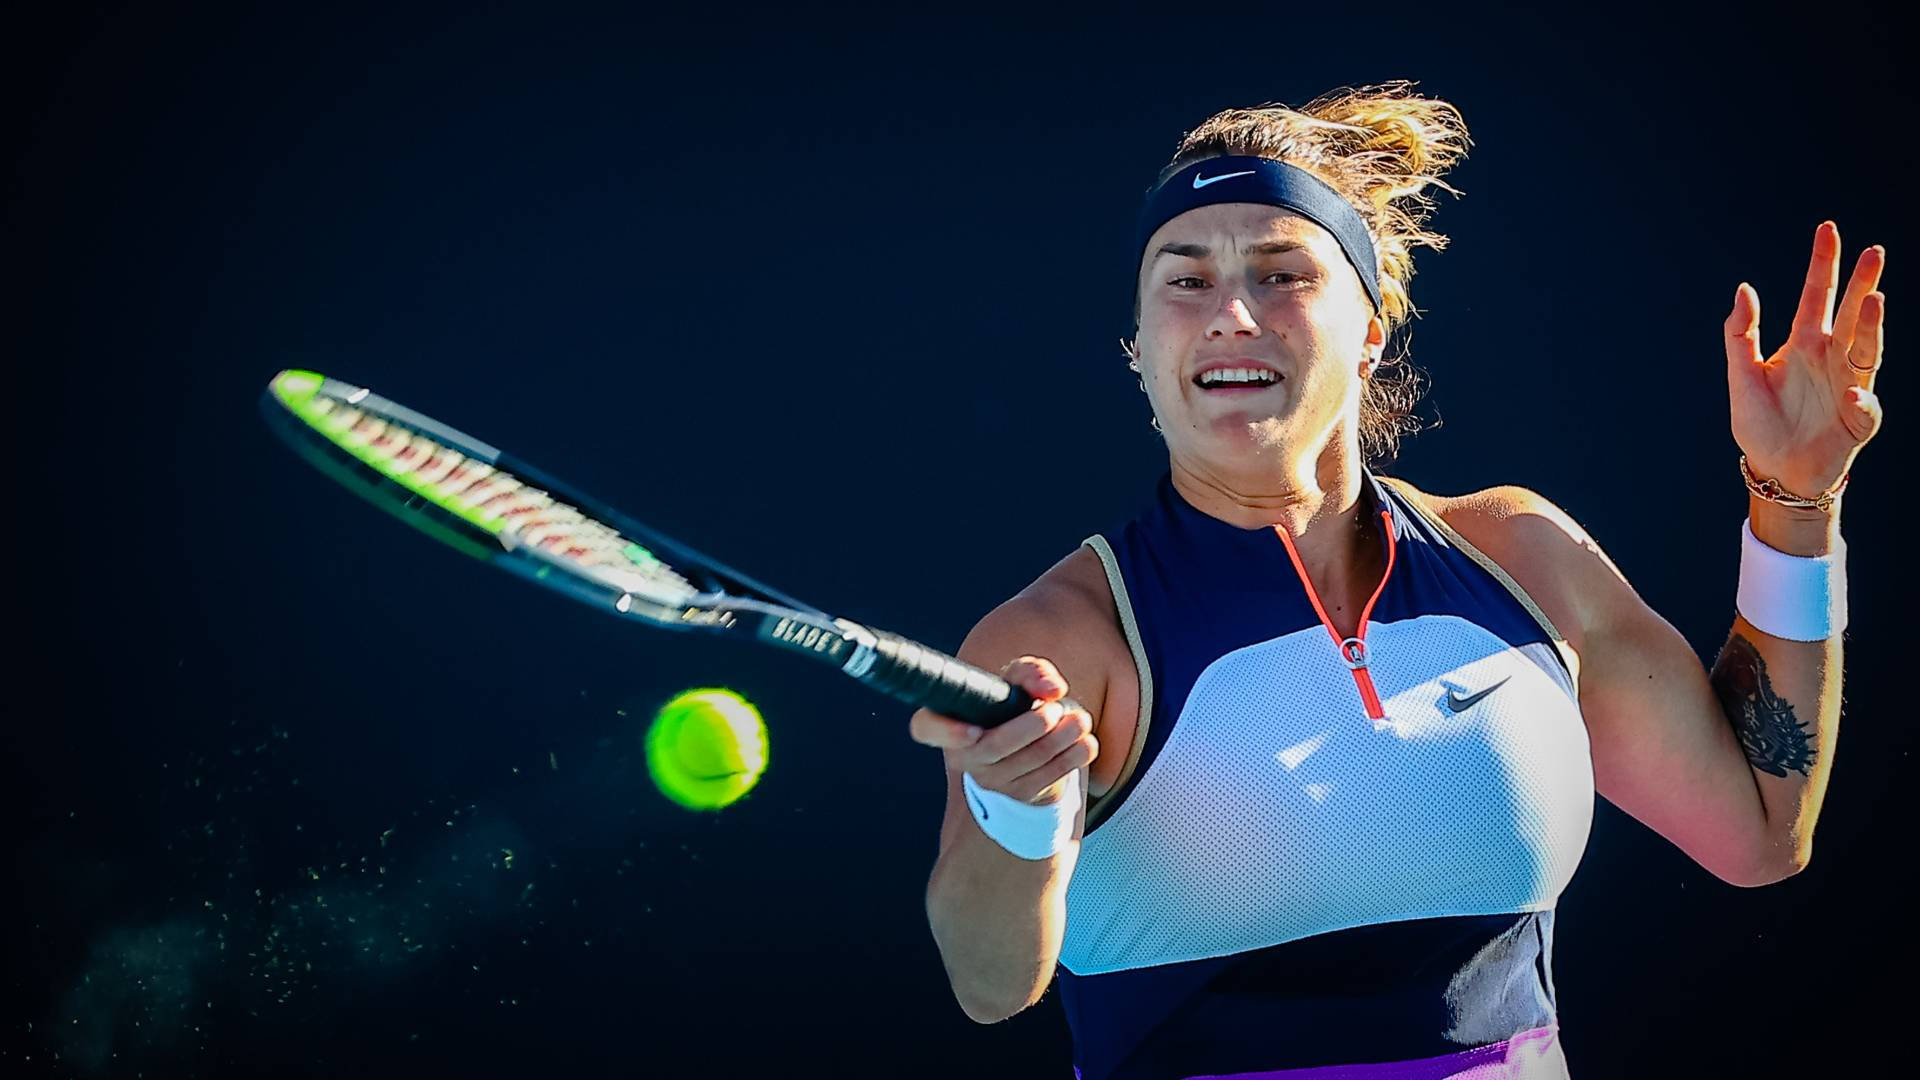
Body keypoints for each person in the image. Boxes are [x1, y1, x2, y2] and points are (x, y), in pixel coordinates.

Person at [913, 80, 1885, 1079]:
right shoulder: (1067, 637)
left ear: (1372, 329)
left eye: (1283, 274)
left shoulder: (1523, 558)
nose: (1231, 314)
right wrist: (1012, 807)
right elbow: (990, 985)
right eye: (1184, 280)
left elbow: (1760, 832)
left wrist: (1795, 506)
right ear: (1139, 346)